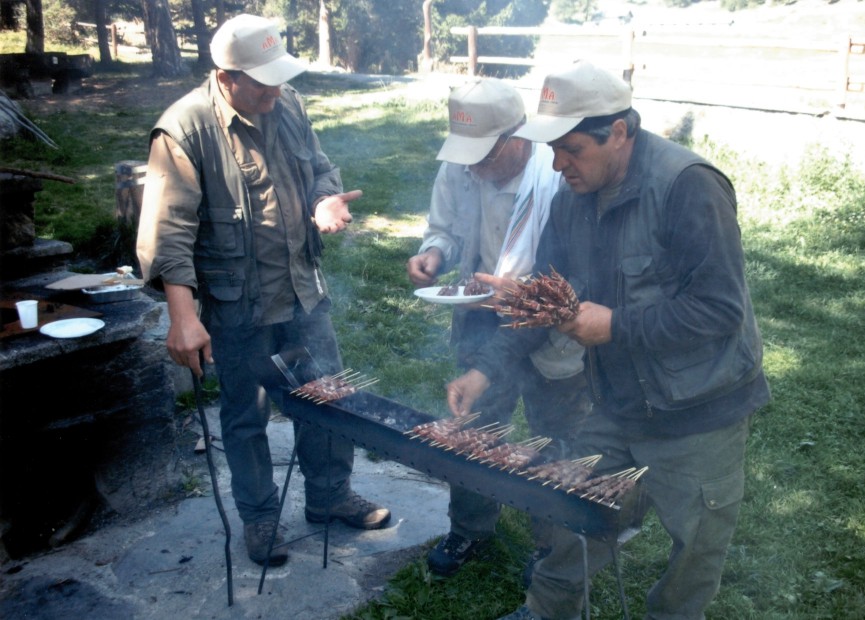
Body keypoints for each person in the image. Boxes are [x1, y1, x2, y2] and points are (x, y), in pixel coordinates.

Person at [446, 61, 771, 620]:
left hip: (699, 409)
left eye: (571, 149)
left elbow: (720, 309)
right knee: (571, 505)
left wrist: (615, 325)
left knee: (694, 546)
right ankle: (546, 611)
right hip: (617, 400)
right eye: (553, 150)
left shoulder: (689, 186)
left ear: (618, 132)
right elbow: (548, 298)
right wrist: (485, 369)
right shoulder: (572, 197)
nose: (558, 164)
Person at [136, 14, 390, 568]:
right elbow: (167, 231)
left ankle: (329, 495)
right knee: (245, 413)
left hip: (302, 289)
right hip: (237, 305)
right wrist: (183, 316)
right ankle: (260, 518)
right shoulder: (184, 130)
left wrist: (323, 201)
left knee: (327, 397)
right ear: (226, 77)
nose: (275, 92)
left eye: (279, 79)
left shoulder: (287, 103)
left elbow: (320, 169)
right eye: (262, 83)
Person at [407, 78, 588, 576]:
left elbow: (576, 272)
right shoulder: (460, 164)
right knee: (473, 426)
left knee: (557, 437)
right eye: (467, 155)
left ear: (518, 138)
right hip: (482, 317)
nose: (473, 167)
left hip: (556, 327)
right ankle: (470, 528)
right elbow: (443, 226)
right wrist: (434, 252)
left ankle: (551, 545)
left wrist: (533, 298)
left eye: (484, 155)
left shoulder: (559, 178)